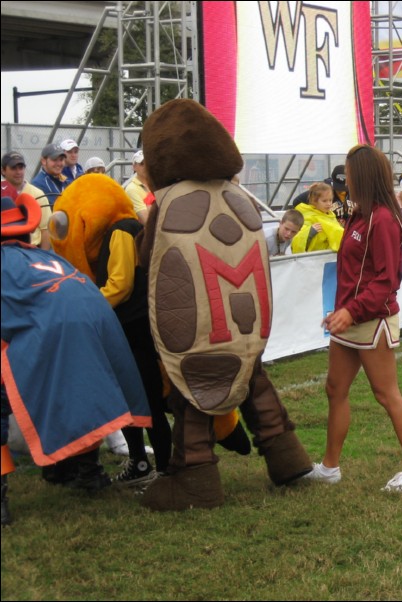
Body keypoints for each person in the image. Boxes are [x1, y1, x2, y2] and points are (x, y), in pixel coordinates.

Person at [137, 98, 312, 511]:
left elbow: (151, 261)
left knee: (193, 388)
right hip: (242, 319)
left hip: (199, 321)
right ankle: (286, 454)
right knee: (250, 375)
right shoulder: (240, 197)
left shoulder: (170, 202)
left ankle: (195, 475)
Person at [2, 190, 151, 521]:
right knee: (85, 392)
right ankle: (84, 471)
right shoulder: (49, 259)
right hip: (96, 317)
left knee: (17, 397)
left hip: (55, 327)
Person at [304, 144, 402, 492]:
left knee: (386, 393)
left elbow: (387, 282)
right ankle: (330, 467)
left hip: (372, 320)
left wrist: (351, 310)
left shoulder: (384, 220)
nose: (344, 181)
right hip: (351, 318)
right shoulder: (360, 215)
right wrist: (339, 310)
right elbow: (353, 273)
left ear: (364, 176)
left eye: (349, 173)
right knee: (335, 390)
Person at [50, 174, 173, 486]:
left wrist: (86, 305)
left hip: (136, 331)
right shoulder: (110, 234)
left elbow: (120, 284)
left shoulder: (122, 229)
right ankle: (140, 464)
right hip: (121, 331)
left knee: (148, 401)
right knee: (128, 402)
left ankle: (167, 470)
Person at [1, 151, 51, 249]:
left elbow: (45, 229)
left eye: (21, 167)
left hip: (32, 249)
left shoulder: (37, 193)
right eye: (13, 168)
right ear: (3, 170)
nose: (18, 172)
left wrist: (42, 256)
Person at [291, 182, 345, 253]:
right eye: (324, 201)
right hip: (313, 259)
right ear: (314, 201)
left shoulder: (331, 215)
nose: (328, 204)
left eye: (330, 200)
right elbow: (296, 241)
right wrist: (310, 232)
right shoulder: (308, 216)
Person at [123, 150, 149, 224]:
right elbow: (146, 220)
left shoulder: (157, 184)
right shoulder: (131, 189)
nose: (146, 166)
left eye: (148, 163)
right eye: (142, 164)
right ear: (134, 167)